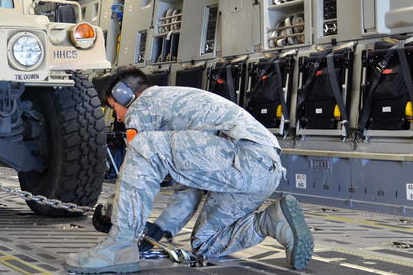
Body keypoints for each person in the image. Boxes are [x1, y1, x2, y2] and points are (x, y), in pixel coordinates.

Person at [65, 65, 313, 274]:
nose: (117, 117)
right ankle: (272, 221)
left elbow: (139, 154)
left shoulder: (144, 105)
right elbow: (190, 185)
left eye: (113, 107)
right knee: (205, 243)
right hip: (259, 169)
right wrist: (161, 228)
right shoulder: (176, 112)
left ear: (125, 95)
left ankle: (119, 247)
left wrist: (111, 210)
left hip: (244, 156)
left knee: (142, 145)